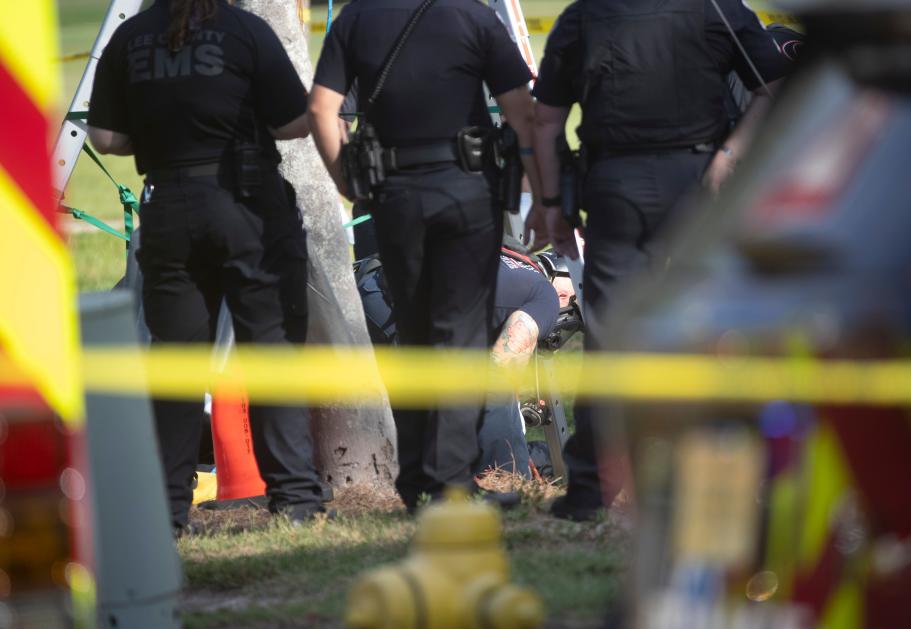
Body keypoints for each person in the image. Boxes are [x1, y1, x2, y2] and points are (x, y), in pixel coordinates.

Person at [530, 0, 795, 521]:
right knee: (709, 333)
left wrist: (552, 204)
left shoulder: (585, 15)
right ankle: (719, 482)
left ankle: (588, 491)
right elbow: (775, 89)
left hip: (616, 187)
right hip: (698, 184)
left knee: (609, 337)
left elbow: (545, 122)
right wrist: (729, 156)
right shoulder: (717, 8)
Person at [87, 0, 329, 533]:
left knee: (175, 364)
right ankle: (296, 501)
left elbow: (104, 137)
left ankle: (169, 510)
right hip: (248, 205)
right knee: (271, 351)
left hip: (169, 207)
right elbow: (293, 122)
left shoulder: (132, 39)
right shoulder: (246, 31)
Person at [309, 0, 544, 513]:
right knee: (459, 336)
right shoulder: (474, 15)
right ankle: (452, 483)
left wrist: (347, 182)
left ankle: (416, 479)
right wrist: (530, 187)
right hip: (466, 193)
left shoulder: (355, 18)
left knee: (412, 332)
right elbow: (521, 107)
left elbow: (321, 110)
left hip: (394, 197)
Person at [355, 242, 575, 476]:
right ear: (564, 294)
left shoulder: (510, 257)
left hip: (372, 289)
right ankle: (507, 485)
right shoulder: (547, 297)